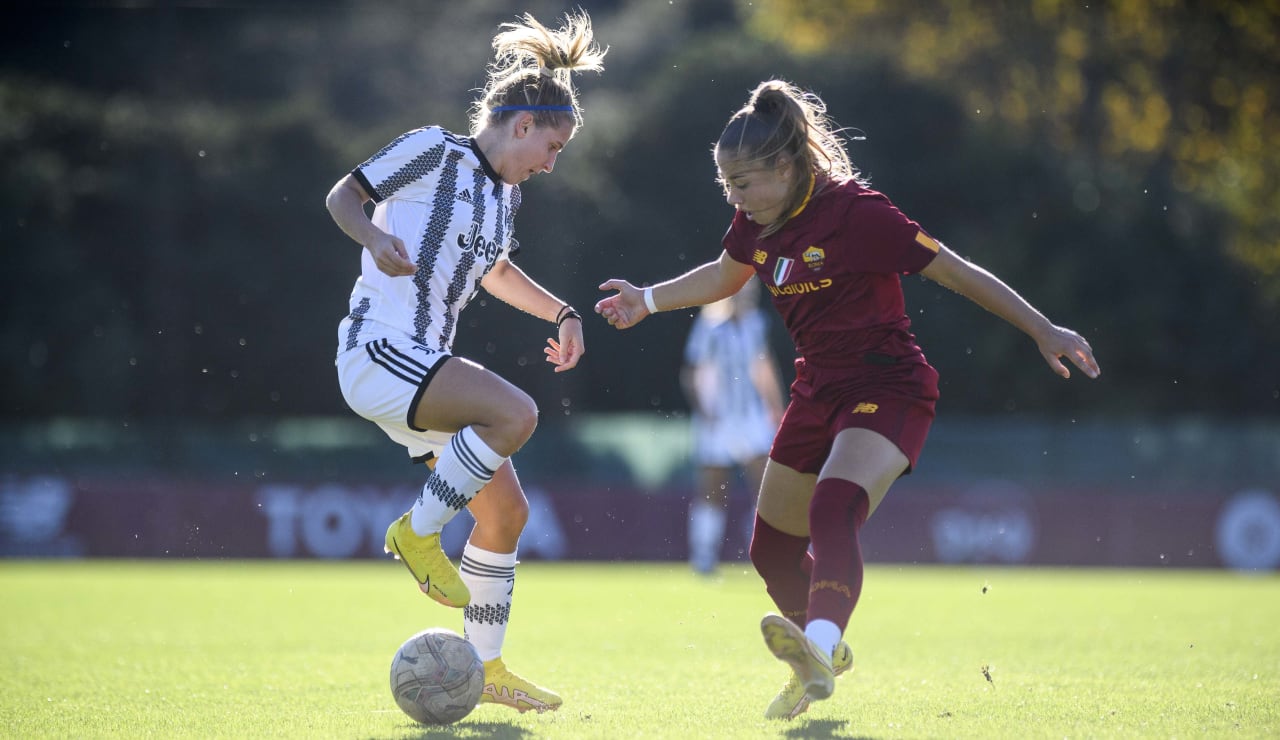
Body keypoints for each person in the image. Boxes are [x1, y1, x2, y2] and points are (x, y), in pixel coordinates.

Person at [595, 79, 1100, 720]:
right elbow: (726, 273)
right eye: (727, 186)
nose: (735, 198)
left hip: (888, 387)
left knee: (834, 508)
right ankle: (818, 658)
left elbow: (956, 271)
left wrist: (1042, 328)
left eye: (743, 183)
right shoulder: (757, 218)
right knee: (769, 550)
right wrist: (649, 299)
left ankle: (820, 647)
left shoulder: (860, 214)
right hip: (816, 391)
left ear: (785, 166)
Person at [326, 11, 605, 714]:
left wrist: (563, 312)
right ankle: (416, 533)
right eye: (552, 145)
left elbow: (495, 273)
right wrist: (370, 235)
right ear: (520, 125)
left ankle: (488, 669)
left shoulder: (504, 198)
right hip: (378, 350)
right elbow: (344, 195)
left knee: (506, 514)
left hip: (422, 366)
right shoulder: (433, 150)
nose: (550, 162)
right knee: (517, 413)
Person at [681, 276, 784, 574]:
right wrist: (704, 410)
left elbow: (763, 366)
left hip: (751, 417)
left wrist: (776, 406)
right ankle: (703, 556)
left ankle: (767, 550)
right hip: (718, 418)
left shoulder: (756, 324)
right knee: (713, 490)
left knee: (766, 486)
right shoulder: (709, 326)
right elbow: (692, 371)